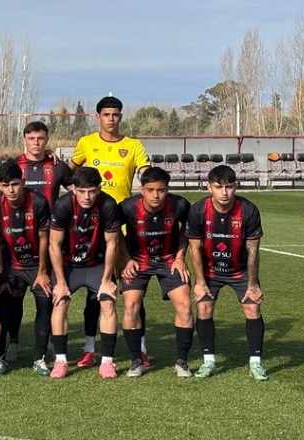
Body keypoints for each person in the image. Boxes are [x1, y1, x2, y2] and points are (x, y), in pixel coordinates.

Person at [68, 97, 151, 365]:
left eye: (116, 114)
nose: (111, 119)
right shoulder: (86, 144)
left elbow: (148, 176)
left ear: (121, 117)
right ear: (98, 117)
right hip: (93, 229)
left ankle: (141, 348)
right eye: (106, 114)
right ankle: (91, 348)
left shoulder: (133, 146)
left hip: (126, 229)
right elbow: (68, 172)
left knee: (132, 289)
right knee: (97, 292)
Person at [186, 165, 267, 380]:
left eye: (229, 187)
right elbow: (195, 248)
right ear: (208, 187)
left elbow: (253, 250)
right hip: (210, 271)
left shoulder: (248, 210)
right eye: (219, 187)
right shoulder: (198, 210)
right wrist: (200, 282)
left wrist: (252, 284)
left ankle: (256, 363)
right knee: (203, 307)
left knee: (253, 309)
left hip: (240, 270)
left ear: (236, 186)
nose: (224, 192)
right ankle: (208, 361)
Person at [117, 167, 193, 378]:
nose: (156, 195)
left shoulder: (179, 205)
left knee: (185, 304)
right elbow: (114, 233)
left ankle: (182, 362)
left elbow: (188, 229)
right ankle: (136, 360)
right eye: (150, 190)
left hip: (169, 260)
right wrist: (125, 259)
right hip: (137, 261)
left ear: (167, 189)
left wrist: (180, 257)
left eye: (161, 190)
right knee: (131, 305)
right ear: (142, 189)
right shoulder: (128, 207)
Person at [48, 167, 122, 379]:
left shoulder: (108, 204)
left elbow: (112, 244)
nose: (87, 197)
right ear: (73, 189)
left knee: (107, 301)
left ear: (99, 189)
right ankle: (61, 360)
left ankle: (107, 362)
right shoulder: (63, 205)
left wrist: (107, 279)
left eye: (92, 191)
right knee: (60, 301)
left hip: (96, 264)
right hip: (69, 265)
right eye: (82, 191)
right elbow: (54, 244)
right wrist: (60, 282)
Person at [0, 160, 52, 375]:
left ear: (22, 182)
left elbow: (44, 239)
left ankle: (40, 357)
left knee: (45, 305)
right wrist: (1, 272)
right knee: (5, 306)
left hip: (37, 264)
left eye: (14, 184)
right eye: (5, 185)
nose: (10, 190)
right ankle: (1, 357)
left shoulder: (39, 202)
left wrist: (42, 272)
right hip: (11, 264)